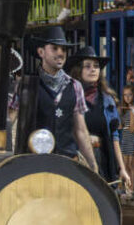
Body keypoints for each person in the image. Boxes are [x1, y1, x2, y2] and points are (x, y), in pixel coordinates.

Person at [21, 27, 98, 170]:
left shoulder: (75, 86)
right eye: (54, 48)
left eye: (63, 49)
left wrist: (93, 165)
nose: (60, 53)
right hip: (35, 165)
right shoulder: (27, 85)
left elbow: (81, 130)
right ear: (41, 52)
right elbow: (13, 124)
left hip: (67, 163)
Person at [66, 47, 131, 187]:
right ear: (78, 70)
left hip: (104, 160)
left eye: (96, 66)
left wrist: (122, 168)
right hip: (78, 161)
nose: (93, 70)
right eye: (88, 66)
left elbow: (114, 137)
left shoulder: (108, 100)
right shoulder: (69, 97)